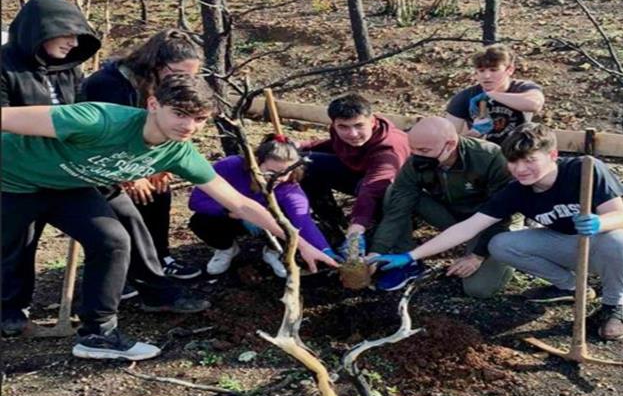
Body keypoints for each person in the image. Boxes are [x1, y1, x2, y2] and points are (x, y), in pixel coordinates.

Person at [1, 74, 338, 360]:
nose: (188, 126)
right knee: (10, 251)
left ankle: (98, 335)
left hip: (69, 187)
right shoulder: (96, 119)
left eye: (200, 119)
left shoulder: (178, 152)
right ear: (152, 105)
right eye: (179, 114)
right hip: (10, 182)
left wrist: (299, 240)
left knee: (114, 240)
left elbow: (241, 204)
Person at [370, 124, 623, 341]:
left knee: (618, 240)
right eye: (513, 162)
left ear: (552, 155)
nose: (520, 169)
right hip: (565, 245)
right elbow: (469, 227)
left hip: (610, 247)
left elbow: (622, 217)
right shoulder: (517, 190)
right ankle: (571, 286)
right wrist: (410, 255)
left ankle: (613, 306)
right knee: (501, 243)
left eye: (529, 161)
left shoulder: (584, 170)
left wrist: (600, 223)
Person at [0, 0, 101, 337]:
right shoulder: (4, 67)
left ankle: (100, 318)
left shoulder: (69, 69)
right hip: (17, 174)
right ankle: (10, 309)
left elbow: (83, 112)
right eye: (67, 34)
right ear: (41, 30)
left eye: (79, 37)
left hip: (67, 172)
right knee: (15, 242)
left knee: (108, 236)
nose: (74, 43)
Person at [82, 29, 204, 282]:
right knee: (122, 213)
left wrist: (161, 164)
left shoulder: (163, 84)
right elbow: (105, 136)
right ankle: (120, 272)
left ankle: (159, 257)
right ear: (157, 65)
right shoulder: (109, 85)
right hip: (96, 158)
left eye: (191, 75)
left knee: (159, 190)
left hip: (139, 153)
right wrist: (133, 174)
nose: (184, 81)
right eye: (180, 73)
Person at [369, 116, 519, 292]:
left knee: (479, 289)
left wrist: (477, 256)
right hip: (453, 215)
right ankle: (409, 264)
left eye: (424, 150)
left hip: (492, 223)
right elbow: (397, 209)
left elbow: (502, 213)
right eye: (413, 150)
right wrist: (377, 251)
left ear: (450, 144)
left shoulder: (489, 158)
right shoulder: (417, 161)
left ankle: (515, 251)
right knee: (394, 192)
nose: (417, 155)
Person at [188, 133, 339, 277]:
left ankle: (274, 251)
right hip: (231, 218)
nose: (276, 178)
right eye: (270, 171)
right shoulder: (230, 166)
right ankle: (226, 248)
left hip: (270, 225)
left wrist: (325, 251)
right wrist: (231, 212)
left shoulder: (289, 188)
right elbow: (196, 201)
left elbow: (303, 221)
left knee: (289, 223)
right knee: (201, 222)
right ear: (256, 162)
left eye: (284, 173)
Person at [299, 93, 410, 259]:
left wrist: (357, 227)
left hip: (391, 190)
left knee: (381, 198)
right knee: (303, 163)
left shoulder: (388, 148)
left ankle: (377, 235)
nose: (352, 133)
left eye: (359, 125)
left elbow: (373, 188)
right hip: (360, 175)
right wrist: (300, 145)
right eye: (343, 127)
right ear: (334, 124)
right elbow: (335, 145)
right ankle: (332, 225)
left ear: (372, 121)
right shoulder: (342, 132)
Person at [445, 44, 544, 146]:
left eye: (494, 70)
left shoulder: (522, 88)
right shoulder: (466, 97)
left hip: (518, 152)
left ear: (510, 70)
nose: (486, 76)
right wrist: (473, 135)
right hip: (484, 153)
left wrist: (491, 95)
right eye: (481, 71)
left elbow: (535, 104)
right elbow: (448, 139)